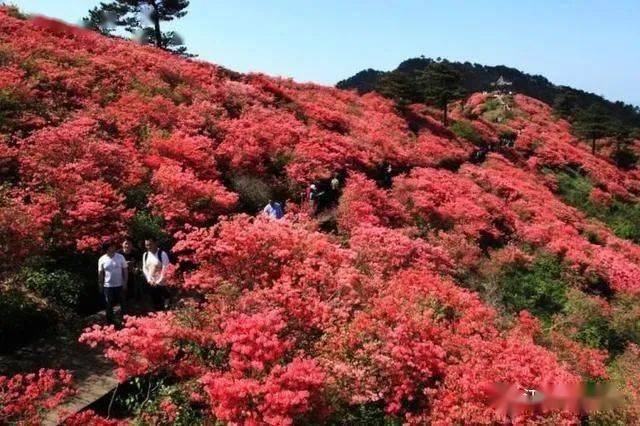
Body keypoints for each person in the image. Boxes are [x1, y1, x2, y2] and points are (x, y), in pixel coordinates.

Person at [98, 240, 128, 325]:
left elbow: (125, 270)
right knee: (108, 305)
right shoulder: (102, 259)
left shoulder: (120, 257)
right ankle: (110, 322)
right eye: (112, 246)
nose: (114, 247)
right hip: (107, 286)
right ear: (107, 248)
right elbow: (100, 273)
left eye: (114, 246)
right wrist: (100, 285)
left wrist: (125, 282)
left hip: (120, 285)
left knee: (123, 304)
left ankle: (125, 321)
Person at [142, 238, 171, 311]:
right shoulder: (145, 255)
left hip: (162, 284)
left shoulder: (162, 254)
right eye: (146, 245)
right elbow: (145, 268)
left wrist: (158, 282)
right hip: (151, 283)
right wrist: (149, 279)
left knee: (165, 304)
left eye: (150, 244)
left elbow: (165, 268)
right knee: (155, 302)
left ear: (155, 243)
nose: (148, 247)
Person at [120, 238, 142, 308]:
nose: (128, 245)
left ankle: (134, 303)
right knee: (122, 290)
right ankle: (123, 305)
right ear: (122, 244)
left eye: (129, 243)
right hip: (121, 275)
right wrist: (125, 264)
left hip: (133, 273)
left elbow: (139, 262)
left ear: (132, 245)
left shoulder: (135, 252)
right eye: (126, 243)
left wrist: (137, 269)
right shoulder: (118, 253)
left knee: (134, 289)